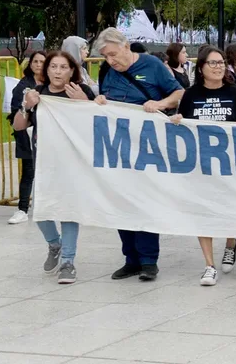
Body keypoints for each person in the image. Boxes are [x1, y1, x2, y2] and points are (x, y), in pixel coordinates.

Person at [93, 28, 184, 282]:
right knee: (121, 203)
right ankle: (130, 259)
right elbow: (107, 102)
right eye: (105, 56)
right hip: (119, 149)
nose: (111, 60)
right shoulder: (107, 71)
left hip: (148, 149)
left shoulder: (152, 65)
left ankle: (148, 261)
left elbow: (178, 93)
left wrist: (160, 104)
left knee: (143, 202)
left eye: (113, 54)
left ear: (125, 46)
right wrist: (100, 102)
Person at [170, 46, 236, 286]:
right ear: (201, 67)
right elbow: (182, 122)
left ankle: (230, 242)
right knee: (203, 212)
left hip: (229, 165)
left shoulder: (234, 92)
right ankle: (209, 265)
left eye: (221, 63)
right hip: (200, 164)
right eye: (212, 63)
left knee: (229, 208)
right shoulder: (191, 94)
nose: (217, 67)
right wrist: (176, 120)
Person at [13, 50, 95, 284]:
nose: (58, 72)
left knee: (69, 210)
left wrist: (84, 102)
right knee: (41, 210)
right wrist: (27, 107)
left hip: (73, 162)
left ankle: (68, 261)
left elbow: (97, 121)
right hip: (45, 162)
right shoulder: (37, 94)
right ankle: (54, 244)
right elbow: (19, 125)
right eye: (53, 67)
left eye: (63, 67)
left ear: (72, 71)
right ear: (46, 70)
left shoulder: (81, 92)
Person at [6, 51, 45, 225]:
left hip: (49, 134)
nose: (38, 65)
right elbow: (15, 111)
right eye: (35, 61)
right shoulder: (23, 85)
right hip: (27, 134)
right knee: (28, 170)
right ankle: (22, 209)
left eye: (42, 61)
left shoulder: (52, 84)